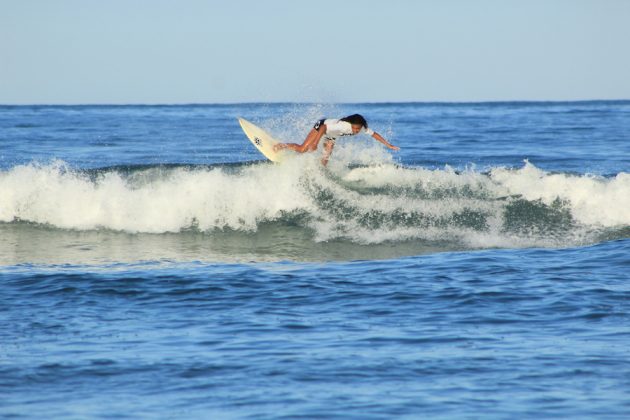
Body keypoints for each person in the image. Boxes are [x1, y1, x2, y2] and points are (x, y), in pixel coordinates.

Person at [273, 114, 399, 165]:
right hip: (321, 127)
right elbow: (323, 127)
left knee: (325, 160)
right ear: (350, 124)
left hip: (332, 134)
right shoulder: (343, 125)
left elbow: (374, 134)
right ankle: (281, 145)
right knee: (302, 149)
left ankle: (319, 173)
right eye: (354, 128)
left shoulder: (361, 128)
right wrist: (316, 142)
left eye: (358, 129)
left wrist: (388, 145)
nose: (356, 131)